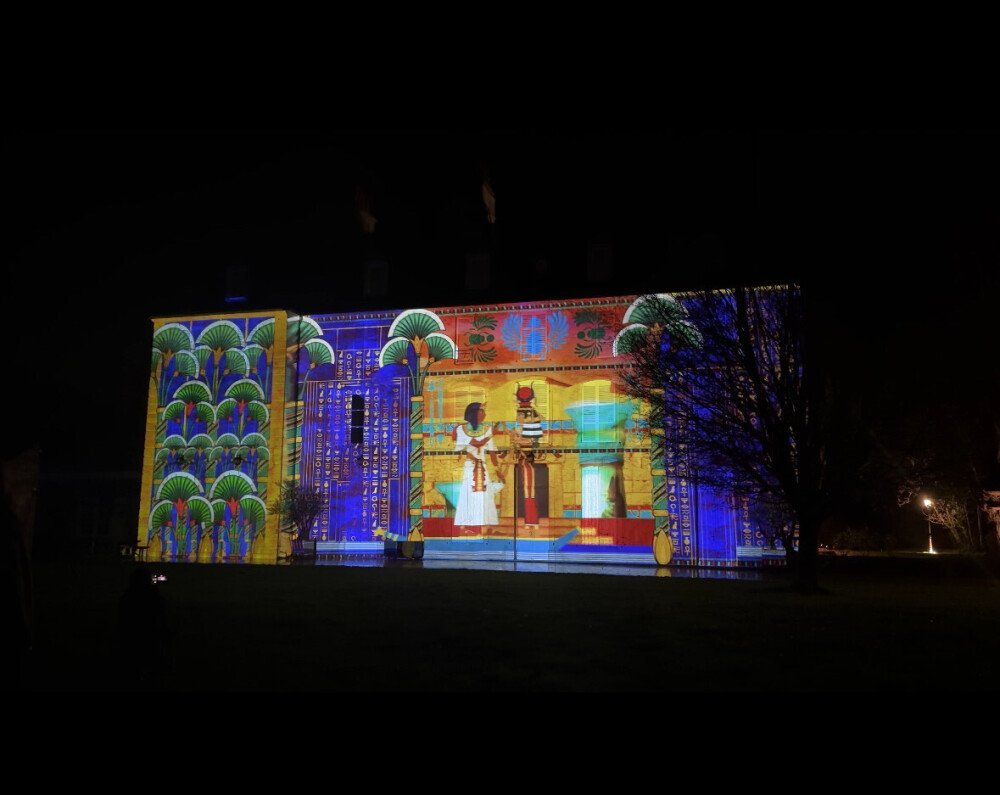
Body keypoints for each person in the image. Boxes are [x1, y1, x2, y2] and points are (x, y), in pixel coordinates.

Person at [452, 402, 504, 534]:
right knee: (469, 494)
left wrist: (498, 469)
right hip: (470, 466)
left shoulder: (487, 429)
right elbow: (477, 444)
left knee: (486, 495)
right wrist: (492, 434)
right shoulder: (461, 429)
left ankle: (485, 526)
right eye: (481, 411)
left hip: (483, 466)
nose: (484, 414)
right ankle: (466, 526)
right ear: (473, 413)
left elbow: (492, 452)